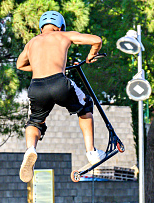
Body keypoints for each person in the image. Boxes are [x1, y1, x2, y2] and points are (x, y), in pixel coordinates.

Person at [16, 10, 106, 183]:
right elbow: (97, 40)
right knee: (85, 105)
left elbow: (20, 64)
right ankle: (91, 152)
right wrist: (91, 54)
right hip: (58, 82)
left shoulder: (32, 42)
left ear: (42, 27)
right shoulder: (64, 35)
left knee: (34, 122)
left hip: (36, 87)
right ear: (59, 26)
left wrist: (38, 66)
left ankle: (30, 150)